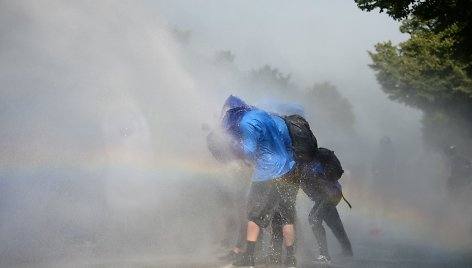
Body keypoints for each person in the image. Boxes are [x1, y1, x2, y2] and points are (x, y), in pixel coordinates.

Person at [218, 95, 299, 268]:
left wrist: (243, 154)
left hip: (266, 172)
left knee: (254, 215)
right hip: (288, 169)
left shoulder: (247, 123)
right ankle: (291, 260)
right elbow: (287, 142)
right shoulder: (270, 117)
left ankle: (249, 258)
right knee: (287, 217)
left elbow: (249, 152)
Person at [300, 150, 353, 264]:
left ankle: (325, 255)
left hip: (329, 195)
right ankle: (347, 250)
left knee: (314, 219)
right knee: (333, 222)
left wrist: (314, 179)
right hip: (332, 194)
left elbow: (319, 179)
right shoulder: (305, 163)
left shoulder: (310, 165)